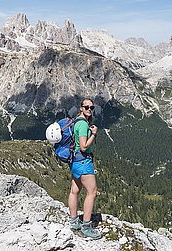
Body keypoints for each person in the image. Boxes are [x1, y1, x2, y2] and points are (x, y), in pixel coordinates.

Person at [68, 98, 102, 240]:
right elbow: (83, 146)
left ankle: (74, 221)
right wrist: (93, 134)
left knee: (74, 191)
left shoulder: (77, 121)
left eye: (91, 107)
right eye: (86, 107)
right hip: (83, 161)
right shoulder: (82, 125)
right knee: (92, 192)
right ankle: (86, 227)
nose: (89, 109)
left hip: (75, 161)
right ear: (81, 108)